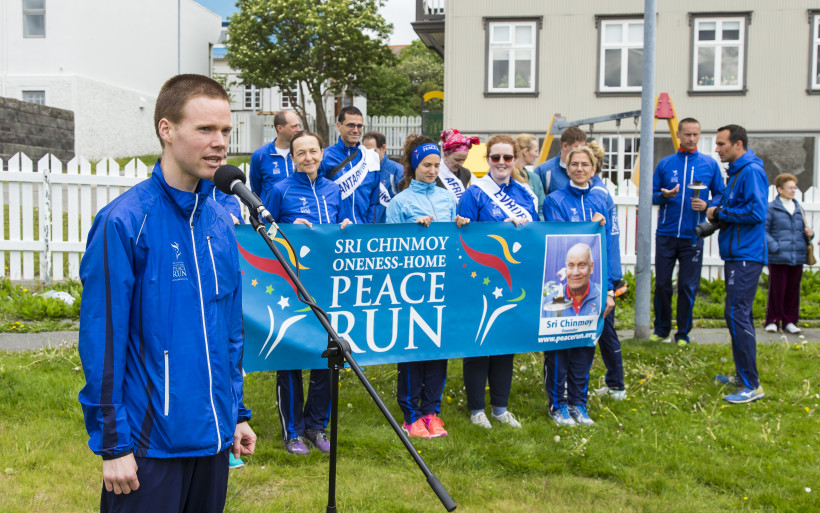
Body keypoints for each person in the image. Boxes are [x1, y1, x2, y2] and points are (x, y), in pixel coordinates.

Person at [77, 74, 256, 513]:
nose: (220, 143)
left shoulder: (219, 221)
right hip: (147, 446)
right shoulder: (123, 222)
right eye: (205, 129)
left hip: (212, 441)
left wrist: (235, 414)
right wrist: (113, 444)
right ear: (166, 130)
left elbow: (229, 334)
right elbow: (103, 341)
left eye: (226, 131)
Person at [267, 130, 352, 454]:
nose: (309, 158)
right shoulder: (280, 189)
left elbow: (344, 224)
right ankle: (292, 432)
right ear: (293, 158)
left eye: (313, 151)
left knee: (327, 353)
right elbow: (264, 231)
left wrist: (345, 227)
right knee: (290, 354)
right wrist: (290, 230)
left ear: (321, 153)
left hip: (328, 284)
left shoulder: (333, 189)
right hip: (290, 286)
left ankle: (317, 427)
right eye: (301, 153)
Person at [386, 134, 469, 438]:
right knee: (412, 348)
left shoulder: (448, 198)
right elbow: (388, 245)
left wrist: (459, 224)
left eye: (436, 165)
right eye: (426, 165)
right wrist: (412, 229)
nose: (432, 171)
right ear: (413, 166)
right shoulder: (400, 202)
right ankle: (411, 415)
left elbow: (453, 243)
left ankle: (432, 411)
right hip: (411, 286)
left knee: (437, 347)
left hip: (441, 284)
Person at [457, 134, 537, 430]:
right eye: (495, 158)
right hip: (481, 278)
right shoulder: (475, 192)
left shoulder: (527, 194)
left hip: (514, 279)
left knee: (506, 343)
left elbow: (536, 236)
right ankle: (477, 409)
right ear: (487, 159)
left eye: (507, 158)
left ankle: (500, 408)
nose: (502, 163)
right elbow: (463, 239)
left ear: (515, 159)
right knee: (479, 343)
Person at [542, 146, 615, 426]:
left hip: (593, 286)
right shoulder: (554, 200)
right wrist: (589, 225)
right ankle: (557, 404)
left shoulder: (602, 199)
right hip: (561, 284)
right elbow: (561, 239)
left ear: (594, 169)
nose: (580, 169)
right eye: (574, 164)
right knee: (560, 344)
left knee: (585, 343)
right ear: (567, 167)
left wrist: (609, 288)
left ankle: (578, 404)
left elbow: (608, 246)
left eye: (585, 164)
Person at [708, 124, 769, 404]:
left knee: (737, 314)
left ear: (738, 144)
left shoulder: (752, 172)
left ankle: (751, 385)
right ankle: (742, 376)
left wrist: (721, 212)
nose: (717, 149)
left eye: (721, 144)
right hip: (737, 254)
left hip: (747, 255)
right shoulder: (737, 172)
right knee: (734, 314)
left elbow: (756, 212)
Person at [651, 118, 725, 345]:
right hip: (666, 233)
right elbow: (650, 195)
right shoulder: (665, 164)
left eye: (696, 134)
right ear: (679, 135)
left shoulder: (709, 164)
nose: (691, 139)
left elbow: (721, 195)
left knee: (686, 286)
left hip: (693, 235)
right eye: (687, 134)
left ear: (699, 135)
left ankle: (682, 333)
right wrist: (664, 195)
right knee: (662, 284)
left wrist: (707, 206)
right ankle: (661, 329)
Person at [586, 140, 626, 401]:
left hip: (601, 272)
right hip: (606, 270)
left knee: (603, 329)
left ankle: (616, 384)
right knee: (604, 329)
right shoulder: (601, 191)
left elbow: (606, 239)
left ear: (594, 166)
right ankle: (615, 382)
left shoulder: (596, 195)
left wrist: (610, 280)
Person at [764, 173, 813, 334]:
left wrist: (810, 234)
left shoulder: (799, 208)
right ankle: (772, 320)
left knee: (793, 290)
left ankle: (790, 321)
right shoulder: (771, 208)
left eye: (794, 187)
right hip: (778, 256)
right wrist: (775, 247)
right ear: (779, 189)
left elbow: (804, 232)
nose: (793, 191)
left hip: (797, 255)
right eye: (790, 187)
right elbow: (764, 231)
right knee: (777, 290)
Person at [319, 106, 381, 224]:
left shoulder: (370, 157)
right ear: (339, 126)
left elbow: (374, 201)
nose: (356, 130)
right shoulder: (325, 156)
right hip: (335, 230)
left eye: (359, 126)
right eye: (351, 125)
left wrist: (369, 227)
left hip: (362, 231)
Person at [250, 110, 302, 210]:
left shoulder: (302, 153)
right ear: (279, 128)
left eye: (299, 125)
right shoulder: (260, 155)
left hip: (298, 213)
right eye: (294, 126)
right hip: (271, 217)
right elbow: (255, 190)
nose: (299, 129)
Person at [363, 130, 404, 223]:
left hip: (389, 229)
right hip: (366, 227)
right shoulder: (361, 172)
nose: (369, 155)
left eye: (373, 151)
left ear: (383, 148)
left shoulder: (397, 171)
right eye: (366, 152)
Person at [533, 126, 587, 195]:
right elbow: (534, 201)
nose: (581, 151)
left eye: (583, 148)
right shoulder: (543, 171)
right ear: (565, 146)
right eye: (577, 147)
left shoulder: (587, 171)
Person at [438, 128, 478, 201]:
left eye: (464, 160)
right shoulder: (435, 172)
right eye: (457, 160)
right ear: (446, 155)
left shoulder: (466, 173)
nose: (461, 164)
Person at [514, 133, 546, 221]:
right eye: (536, 151)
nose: (537, 155)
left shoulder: (535, 179)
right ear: (525, 151)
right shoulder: (504, 177)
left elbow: (541, 210)